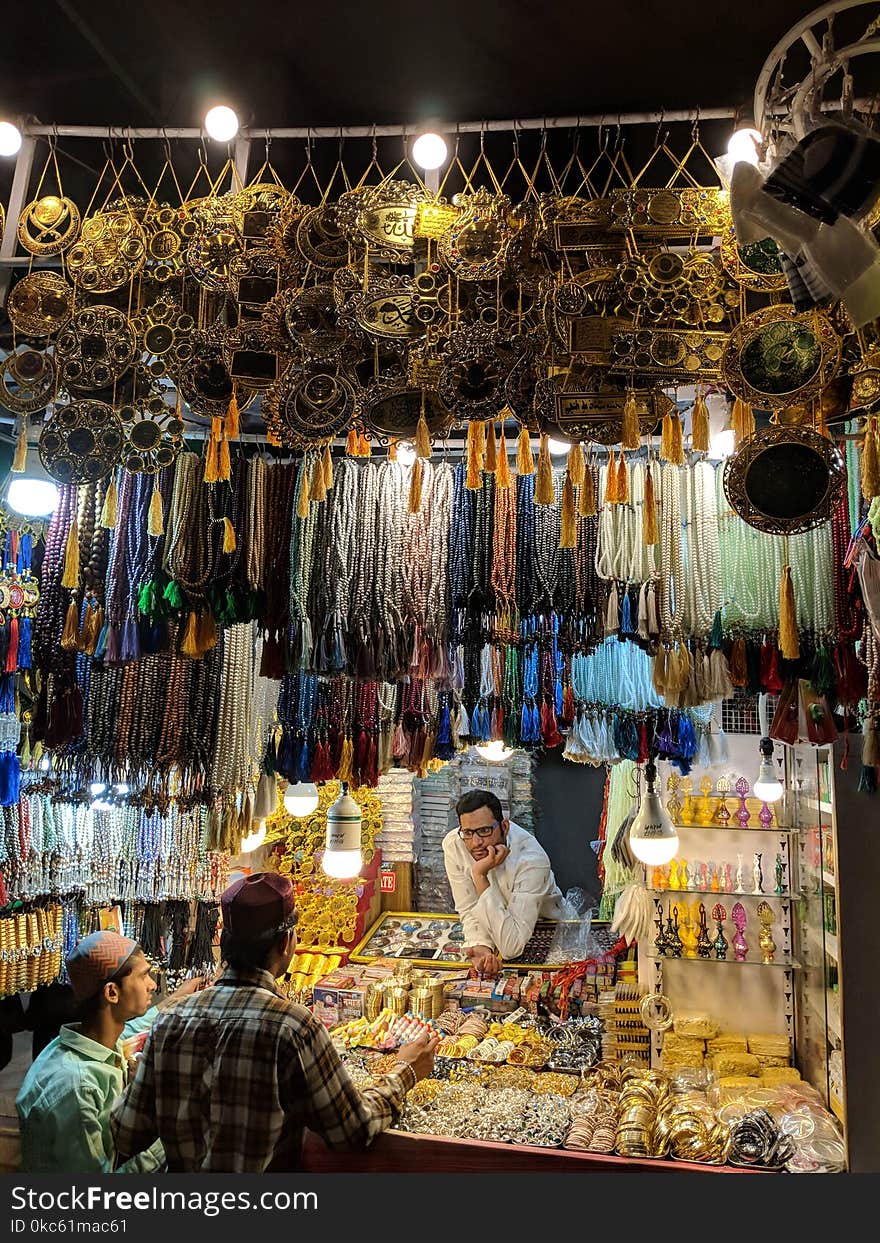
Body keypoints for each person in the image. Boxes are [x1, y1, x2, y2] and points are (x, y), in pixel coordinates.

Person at [111, 871, 438, 1172]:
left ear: (224, 943)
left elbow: (127, 1133)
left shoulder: (170, 1020)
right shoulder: (294, 1027)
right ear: (286, 943)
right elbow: (353, 1129)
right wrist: (405, 1072)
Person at [16, 930, 201, 1174]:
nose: (153, 985)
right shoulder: (78, 1087)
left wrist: (177, 999)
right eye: (144, 975)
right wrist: (169, 1137)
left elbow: (131, 1030)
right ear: (112, 992)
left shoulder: (89, 1041)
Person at [443, 788, 566, 975]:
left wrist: (480, 876)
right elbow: (468, 908)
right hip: (499, 928)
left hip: (547, 933)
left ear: (505, 827)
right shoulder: (454, 845)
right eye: (468, 832)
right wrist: (482, 946)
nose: (476, 842)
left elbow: (511, 947)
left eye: (484, 831)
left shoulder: (532, 859)